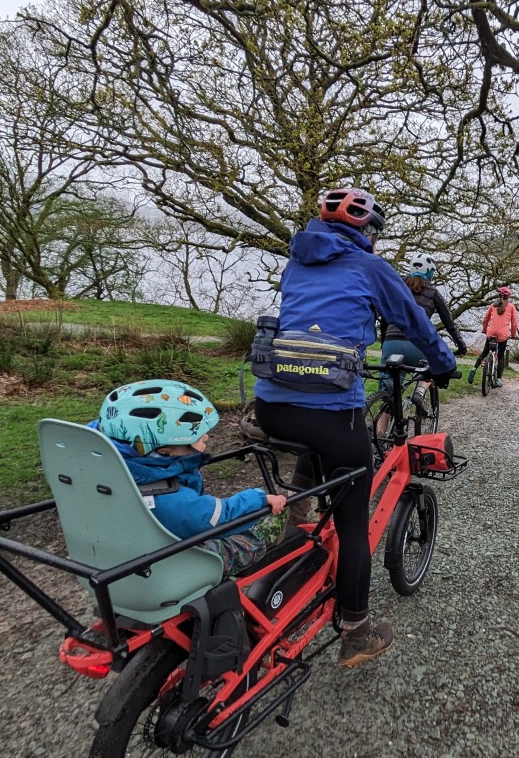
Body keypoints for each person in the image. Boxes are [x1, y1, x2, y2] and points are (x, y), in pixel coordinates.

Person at [252, 186, 456, 667]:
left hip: (271, 407)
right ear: (365, 231)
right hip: (328, 411)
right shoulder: (371, 267)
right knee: (353, 522)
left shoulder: (297, 262)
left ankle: (294, 526)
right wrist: (443, 364)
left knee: (315, 437)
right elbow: (417, 325)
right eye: (374, 232)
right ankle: (357, 632)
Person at [91, 378, 287, 575]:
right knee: (266, 523)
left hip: (118, 557)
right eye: (197, 435)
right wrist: (260, 499)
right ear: (165, 449)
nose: (206, 437)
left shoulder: (102, 469)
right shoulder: (167, 499)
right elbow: (219, 518)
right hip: (172, 570)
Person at [377, 255, 469, 432]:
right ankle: (421, 389)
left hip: (391, 343)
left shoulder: (397, 288)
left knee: (389, 395)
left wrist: (384, 342)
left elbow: (384, 318)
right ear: (431, 272)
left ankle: (379, 438)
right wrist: (461, 346)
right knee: (432, 369)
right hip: (417, 345)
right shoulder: (433, 293)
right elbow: (449, 323)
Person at [471, 286, 518, 386]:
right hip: (502, 336)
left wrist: (484, 330)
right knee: (500, 357)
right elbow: (514, 324)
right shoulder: (511, 307)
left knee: (485, 351)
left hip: (491, 333)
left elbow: (485, 319)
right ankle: (498, 379)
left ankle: (474, 369)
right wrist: (513, 335)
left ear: (499, 296)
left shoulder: (493, 305)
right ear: (508, 297)